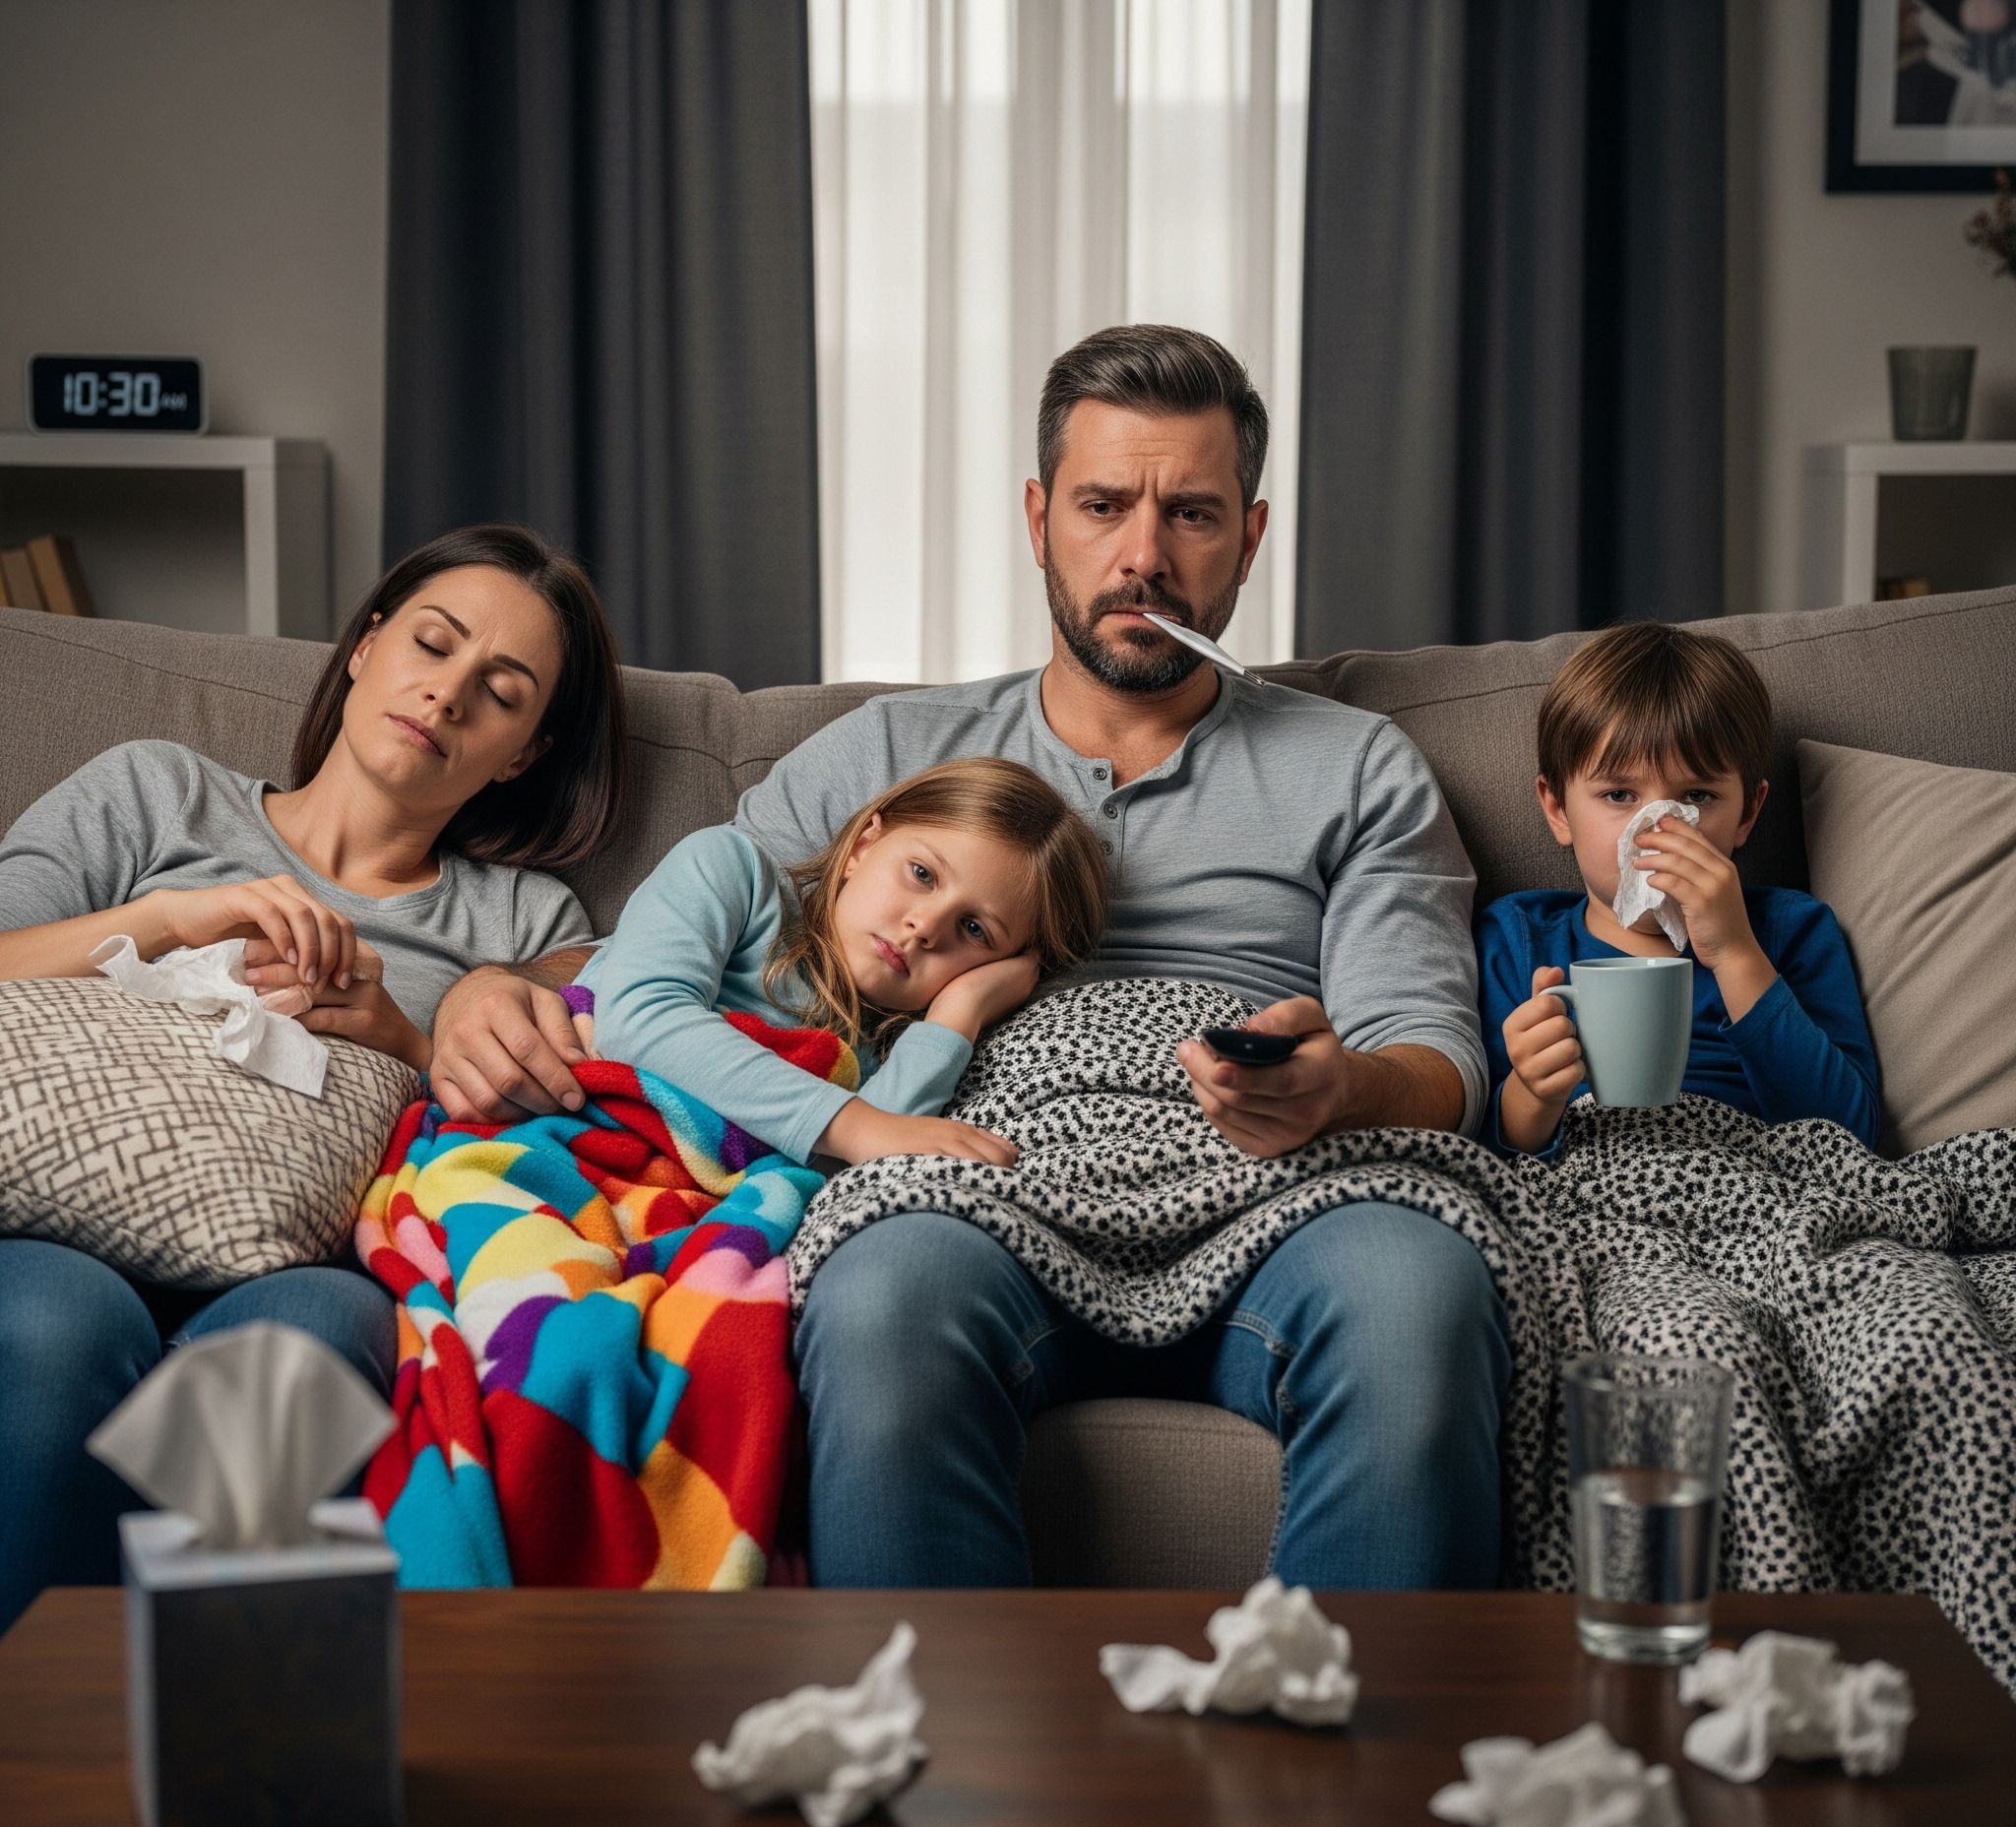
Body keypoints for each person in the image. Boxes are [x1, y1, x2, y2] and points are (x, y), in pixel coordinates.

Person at [429, 325, 1509, 1593]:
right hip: (976, 1186)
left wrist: (1340, 1087)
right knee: (882, 1294)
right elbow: (686, 945)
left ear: (1250, 537)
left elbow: (1434, 1059)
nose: (1143, 555)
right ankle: (934, 1719)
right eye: (1102, 506)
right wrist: (488, 984)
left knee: (1414, 1288)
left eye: (1191, 514)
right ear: (1039, 519)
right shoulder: (892, 749)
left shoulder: (1356, 764)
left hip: (1275, 1191)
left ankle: (1335, 1719)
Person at [0, 523, 627, 1632]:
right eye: (431, 643)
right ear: (365, 644)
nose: (447, 694)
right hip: (64, 1220)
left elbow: (552, 1138)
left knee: (311, 1335)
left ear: (521, 753)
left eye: (500, 693)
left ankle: (204, 1715)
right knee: (60, 1330)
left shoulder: (527, 923)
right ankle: (47, 1712)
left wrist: (405, 1043)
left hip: (298, 1260)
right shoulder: (157, 792)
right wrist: (170, 918)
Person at [572, 758, 1108, 1166]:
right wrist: (853, 1125)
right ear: (863, 846)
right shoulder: (733, 872)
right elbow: (637, 1020)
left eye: (974, 930)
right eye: (922, 874)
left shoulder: (891, 1057)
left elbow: (861, 1171)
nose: (924, 926)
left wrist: (958, 1014)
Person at [1479, 621, 1879, 1158]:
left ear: (1747, 813)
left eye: (1697, 796)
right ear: (1558, 810)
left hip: (1756, 1184)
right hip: (1588, 1186)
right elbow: (1488, 1150)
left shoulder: (1792, 930)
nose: (1658, 827)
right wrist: (1532, 1093)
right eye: (1619, 794)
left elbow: (1852, 1138)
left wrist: (1735, 953)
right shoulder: (1518, 940)